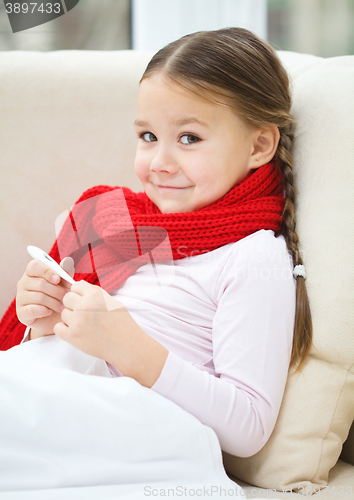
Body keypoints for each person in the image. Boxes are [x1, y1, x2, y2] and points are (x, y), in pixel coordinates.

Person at [0, 27, 312, 459]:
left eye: (189, 138)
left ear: (259, 145)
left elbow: (250, 426)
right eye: (148, 137)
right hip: (56, 395)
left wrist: (126, 346)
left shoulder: (253, 255)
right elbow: (60, 353)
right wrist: (42, 321)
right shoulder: (113, 221)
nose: (160, 163)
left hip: (117, 425)